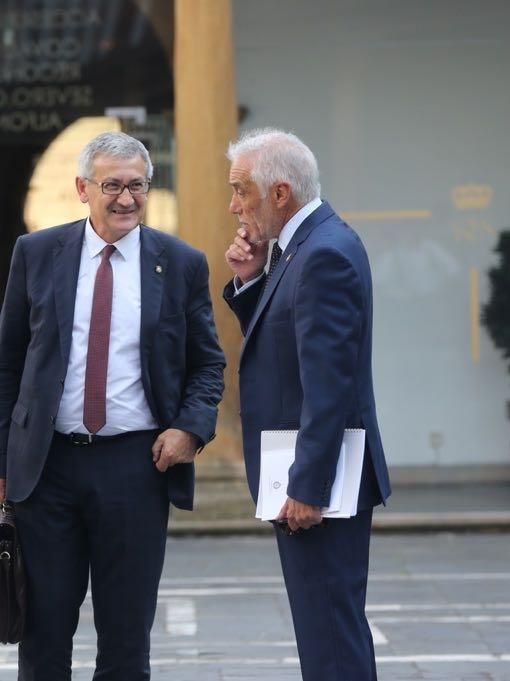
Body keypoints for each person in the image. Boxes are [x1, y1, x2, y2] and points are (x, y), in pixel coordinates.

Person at [0, 131, 225, 680]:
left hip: (135, 469)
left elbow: (208, 363)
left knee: (125, 637)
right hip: (48, 469)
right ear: (81, 189)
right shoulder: (37, 254)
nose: (125, 198)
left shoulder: (181, 263)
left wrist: (190, 429)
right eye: (112, 185)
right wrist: (1, 461)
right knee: (43, 633)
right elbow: (7, 364)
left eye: (136, 186)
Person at [222, 128, 391, 680]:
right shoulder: (302, 247)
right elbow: (287, 348)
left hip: (320, 486)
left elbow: (329, 386)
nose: (233, 207)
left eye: (241, 190)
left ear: (279, 193)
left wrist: (306, 487)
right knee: (325, 633)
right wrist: (250, 281)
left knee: (331, 638)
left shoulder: (322, 254)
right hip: (312, 478)